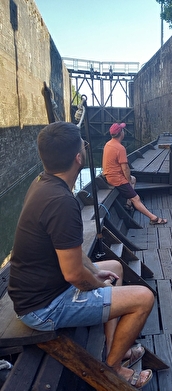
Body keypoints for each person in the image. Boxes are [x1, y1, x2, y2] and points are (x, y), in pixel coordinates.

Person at [8, 121, 154, 388]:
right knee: (144, 298)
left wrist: (97, 272)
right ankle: (112, 369)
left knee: (116, 268)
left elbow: (73, 255)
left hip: (41, 289)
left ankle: (115, 349)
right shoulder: (61, 203)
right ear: (78, 157)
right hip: (42, 307)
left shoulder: (44, 183)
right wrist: (98, 284)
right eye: (83, 147)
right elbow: (74, 274)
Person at [102, 122, 167, 225]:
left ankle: (128, 203)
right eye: (123, 130)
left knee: (133, 179)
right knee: (136, 198)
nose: (124, 131)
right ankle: (153, 218)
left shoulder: (108, 144)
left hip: (108, 175)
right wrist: (127, 182)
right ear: (121, 133)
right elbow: (125, 168)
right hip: (116, 178)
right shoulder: (120, 148)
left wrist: (129, 181)